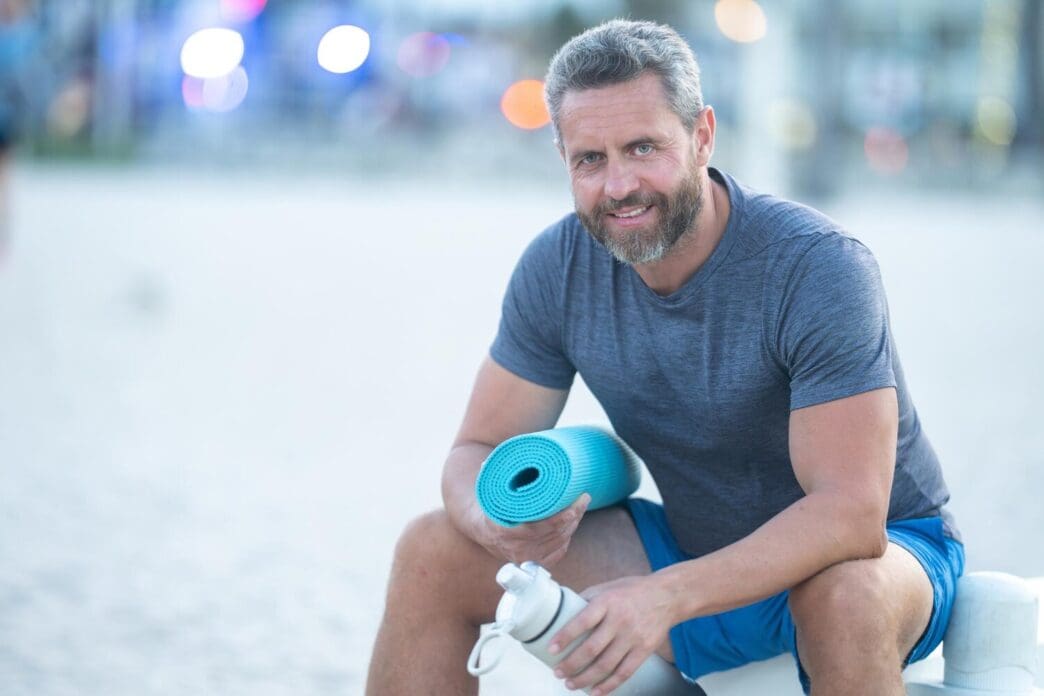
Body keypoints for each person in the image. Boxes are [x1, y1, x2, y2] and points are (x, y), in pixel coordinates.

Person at [366, 19, 963, 696]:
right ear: (563, 158)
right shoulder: (557, 268)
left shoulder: (817, 267)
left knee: (845, 596)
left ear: (702, 136)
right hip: (693, 547)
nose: (619, 185)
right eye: (590, 159)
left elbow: (851, 514)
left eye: (643, 148)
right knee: (432, 551)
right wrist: (492, 527)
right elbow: (474, 450)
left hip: (881, 552)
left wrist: (664, 597)